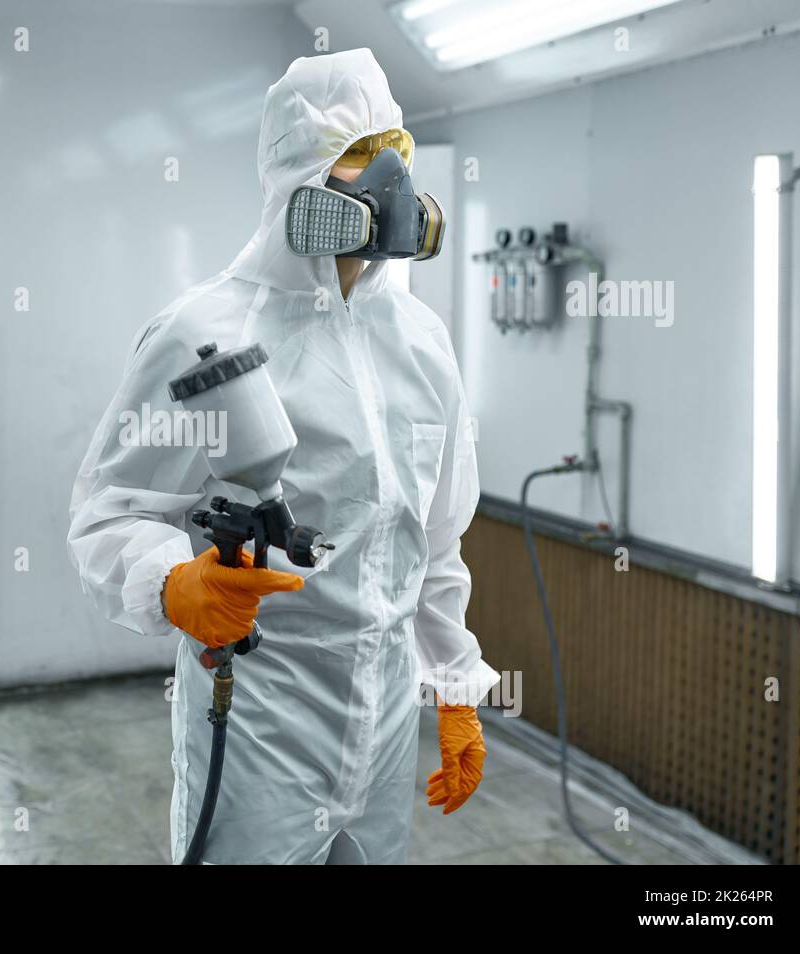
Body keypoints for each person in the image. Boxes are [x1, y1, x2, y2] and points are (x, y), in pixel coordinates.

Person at [68, 48, 499, 864]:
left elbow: (432, 542)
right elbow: (107, 518)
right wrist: (174, 581)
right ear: (301, 178)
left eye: (397, 153)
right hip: (259, 726)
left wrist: (454, 687)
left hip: (381, 734)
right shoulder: (205, 336)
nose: (391, 183)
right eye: (361, 157)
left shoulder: (420, 342)